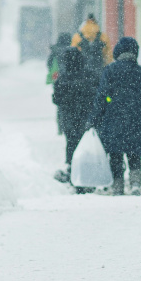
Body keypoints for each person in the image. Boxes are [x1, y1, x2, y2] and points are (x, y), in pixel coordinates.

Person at [88, 37, 141, 195]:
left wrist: (94, 119)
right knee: (134, 152)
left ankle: (118, 185)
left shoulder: (110, 70)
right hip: (136, 117)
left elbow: (102, 96)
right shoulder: (140, 71)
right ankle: (135, 183)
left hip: (114, 117)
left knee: (115, 153)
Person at [52, 47, 99, 184]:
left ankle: (74, 173)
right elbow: (97, 95)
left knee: (72, 144)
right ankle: (88, 173)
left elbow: (56, 99)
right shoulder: (90, 75)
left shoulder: (63, 78)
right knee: (87, 146)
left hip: (69, 119)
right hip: (86, 118)